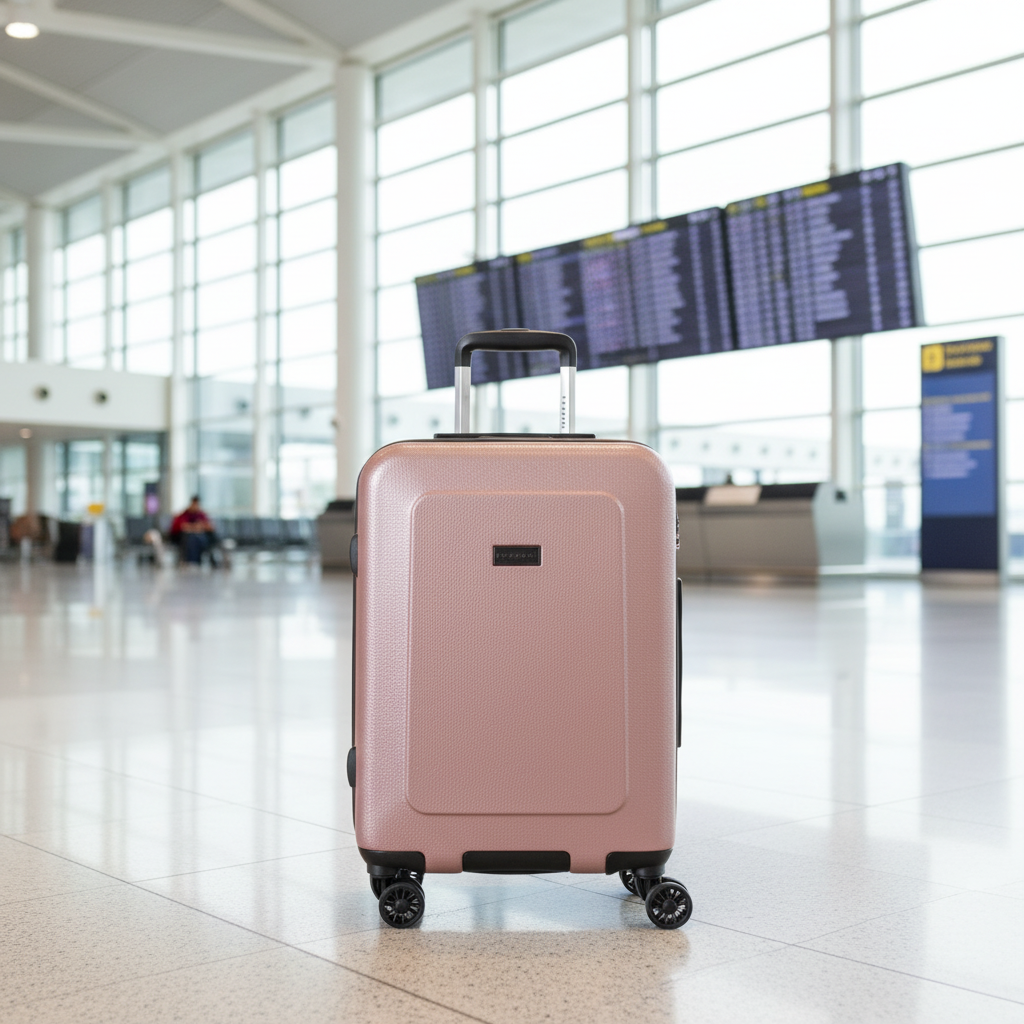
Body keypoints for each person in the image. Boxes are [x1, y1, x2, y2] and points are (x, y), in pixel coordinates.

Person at [170, 496, 215, 565]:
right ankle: (191, 562)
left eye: (197, 504)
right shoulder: (184, 514)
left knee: (202, 539)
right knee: (191, 539)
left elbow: (210, 526)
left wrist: (201, 526)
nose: (195, 506)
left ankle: (198, 561)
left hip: (199, 538)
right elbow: (181, 526)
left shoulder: (201, 515)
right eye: (194, 504)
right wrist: (194, 527)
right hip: (182, 538)